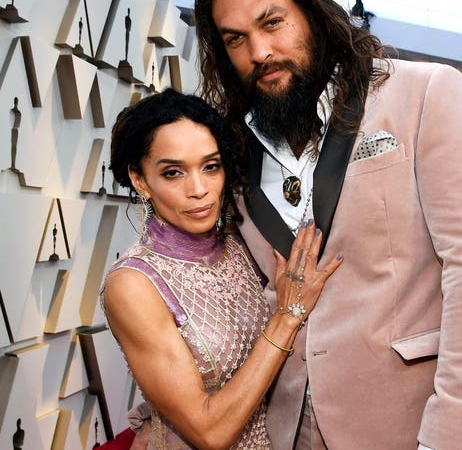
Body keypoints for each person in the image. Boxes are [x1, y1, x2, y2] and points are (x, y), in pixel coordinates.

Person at [193, 0, 462, 449]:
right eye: (236, 39)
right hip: (287, 428)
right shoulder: (234, 153)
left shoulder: (425, 93)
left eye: (272, 23)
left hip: (414, 425)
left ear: (314, 14)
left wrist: (457, 432)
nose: (259, 52)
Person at [101, 89, 343, 449]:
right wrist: (287, 316)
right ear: (140, 180)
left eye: (211, 167)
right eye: (173, 173)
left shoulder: (240, 243)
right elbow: (209, 432)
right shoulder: (134, 285)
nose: (199, 189)